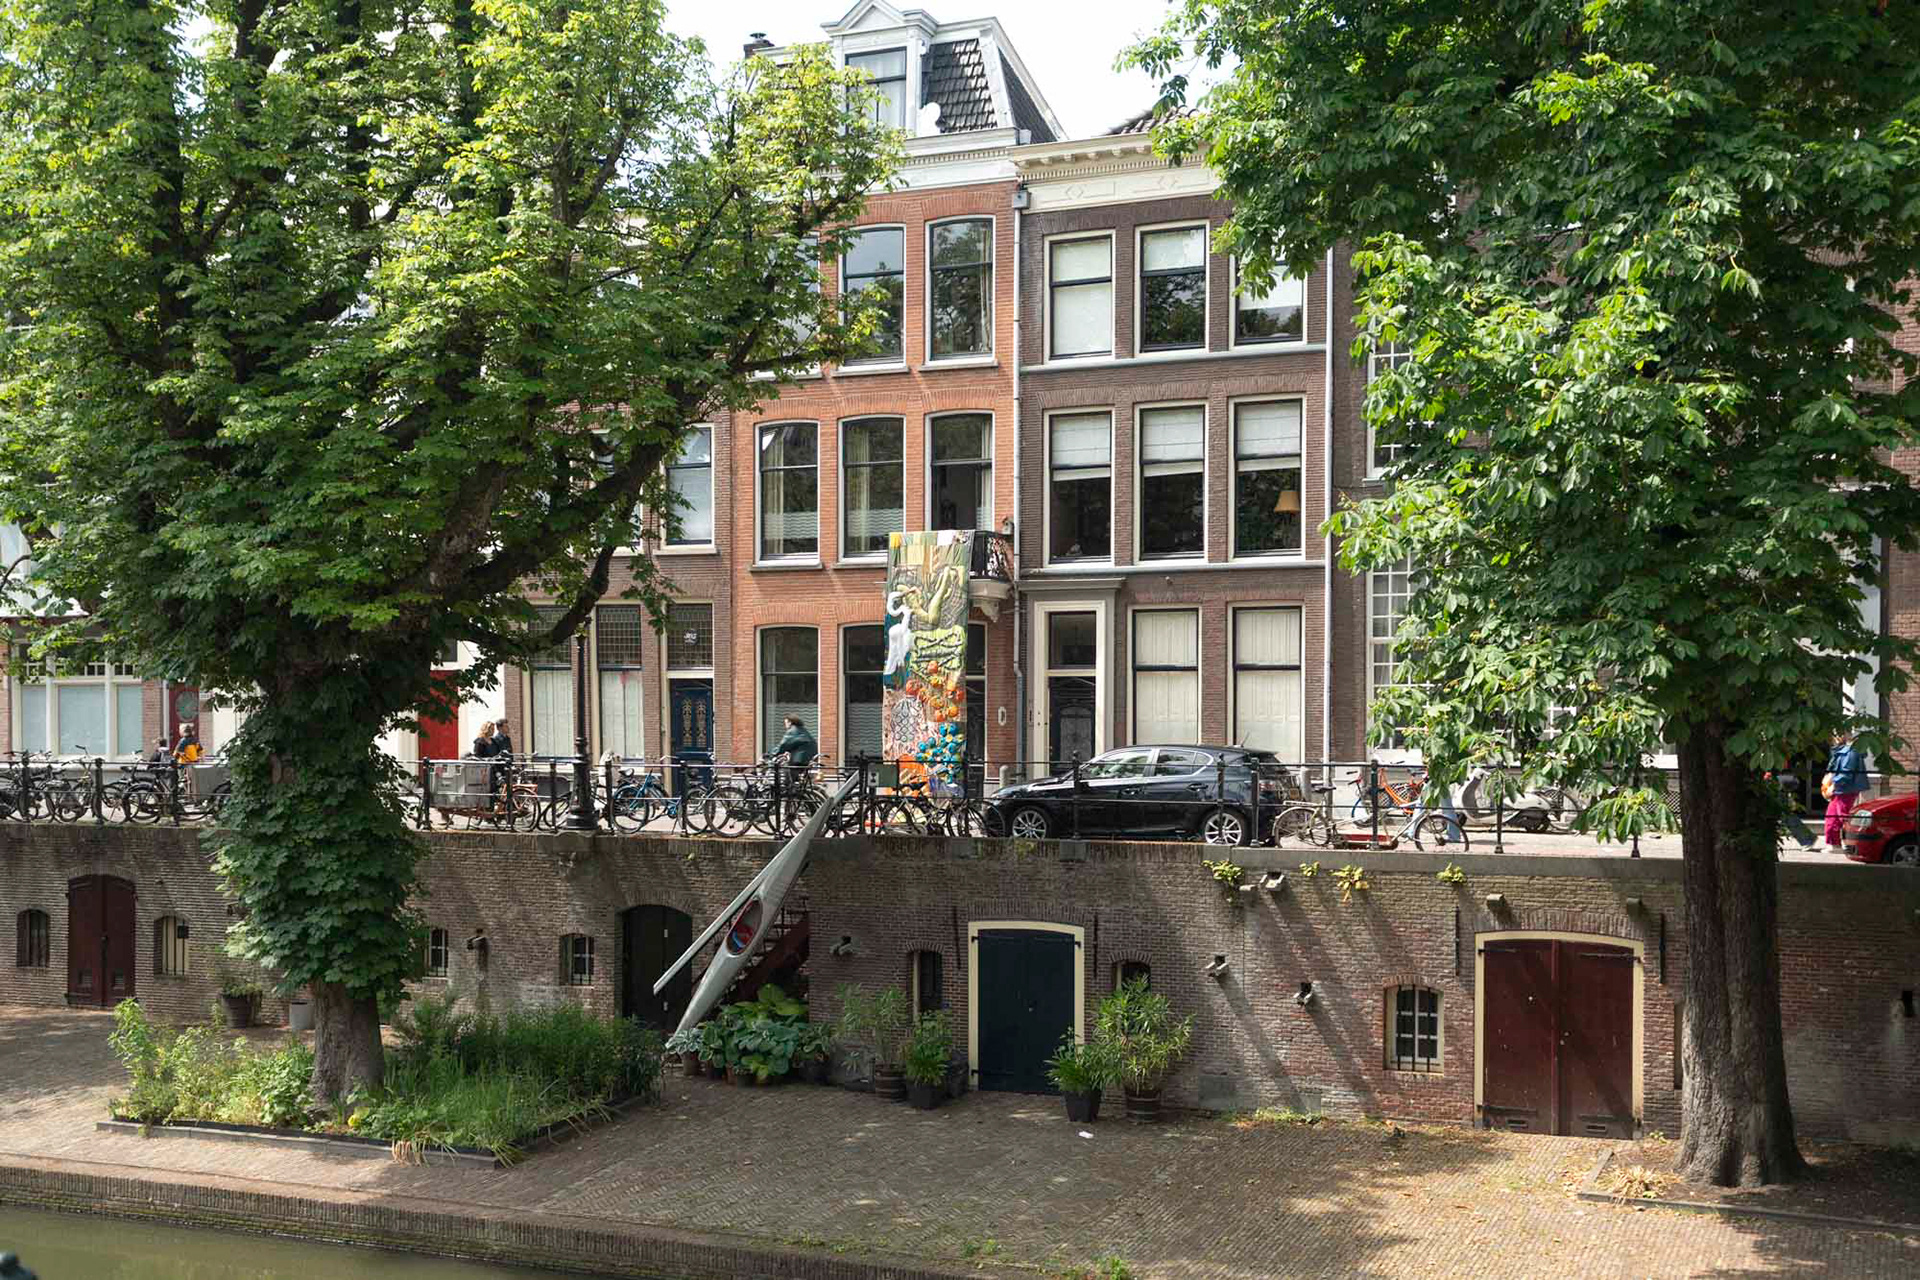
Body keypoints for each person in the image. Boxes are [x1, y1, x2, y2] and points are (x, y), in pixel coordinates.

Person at [1822, 729, 1869, 849]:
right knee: (1833, 817)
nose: (1833, 737)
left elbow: (1846, 773)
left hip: (1844, 790)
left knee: (1843, 817)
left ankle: (1849, 843)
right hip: (1841, 789)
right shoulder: (1844, 750)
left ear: (1844, 735)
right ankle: (1834, 844)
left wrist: (1833, 785)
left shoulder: (1850, 752)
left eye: (1836, 734)